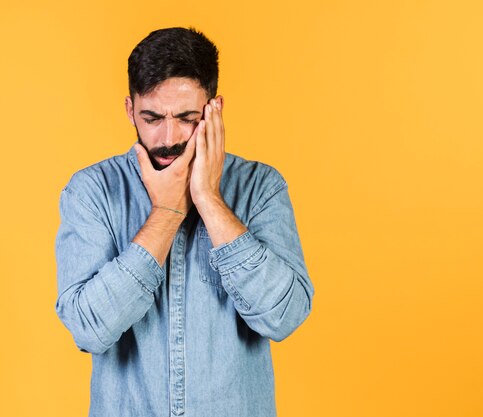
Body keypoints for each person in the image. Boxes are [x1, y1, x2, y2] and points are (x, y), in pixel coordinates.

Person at [55, 27, 314, 417]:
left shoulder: (261, 187)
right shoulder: (92, 191)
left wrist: (209, 199)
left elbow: (285, 316)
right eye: (152, 117)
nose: (169, 137)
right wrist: (166, 212)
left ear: (214, 109)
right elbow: (90, 329)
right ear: (130, 110)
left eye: (187, 118)